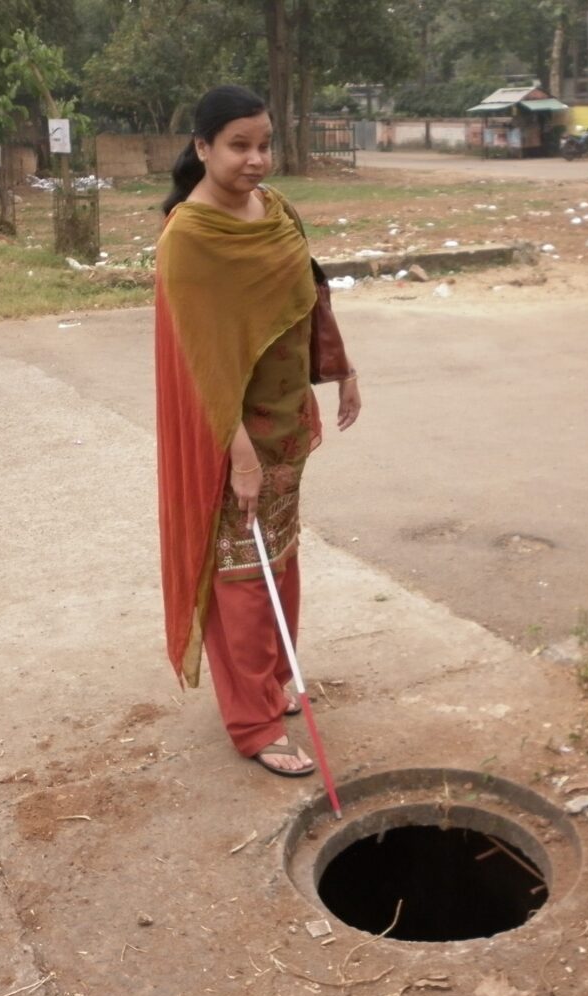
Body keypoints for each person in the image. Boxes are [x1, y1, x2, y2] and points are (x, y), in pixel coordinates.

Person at [154, 85, 360, 778]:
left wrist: (341, 371)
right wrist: (235, 452)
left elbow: (311, 296)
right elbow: (200, 365)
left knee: (279, 558)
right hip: (231, 441)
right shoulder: (189, 238)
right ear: (201, 148)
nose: (254, 159)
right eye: (238, 145)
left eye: (263, 144)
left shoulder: (275, 211)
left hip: (285, 426)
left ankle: (274, 682)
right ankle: (252, 724)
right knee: (241, 578)